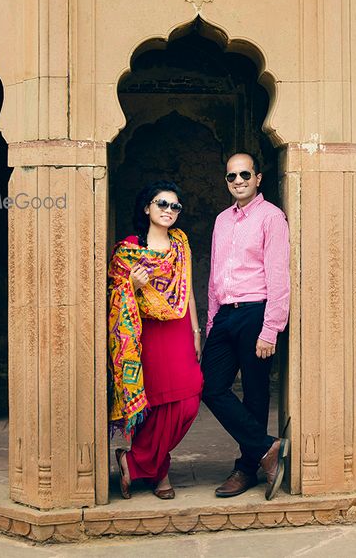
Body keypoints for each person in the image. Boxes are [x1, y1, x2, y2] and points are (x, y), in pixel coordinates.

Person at [108, 180, 203, 500]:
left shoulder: (180, 245)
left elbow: (187, 290)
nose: (169, 211)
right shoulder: (128, 249)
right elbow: (115, 295)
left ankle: (133, 461)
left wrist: (195, 330)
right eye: (162, 204)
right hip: (145, 332)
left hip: (178, 329)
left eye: (175, 206)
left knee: (189, 401)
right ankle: (159, 471)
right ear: (147, 207)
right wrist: (132, 286)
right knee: (158, 404)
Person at [203, 153, 291, 500]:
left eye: (244, 174)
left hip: (256, 311)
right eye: (231, 176)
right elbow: (214, 275)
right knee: (209, 387)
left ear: (258, 178)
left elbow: (278, 275)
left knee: (255, 394)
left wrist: (271, 328)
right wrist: (212, 322)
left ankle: (246, 468)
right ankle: (268, 447)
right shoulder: (222, 220)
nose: (238, 181)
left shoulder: (271, 217)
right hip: (225, 314)